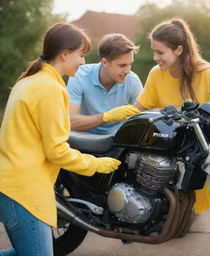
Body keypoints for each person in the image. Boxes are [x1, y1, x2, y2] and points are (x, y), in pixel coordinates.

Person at [0, 23, 120, 256]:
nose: (84, 62)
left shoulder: (27, 81)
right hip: (24, 192)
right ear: (64, 53)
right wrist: (96, 165)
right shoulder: (51, 88)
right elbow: (57, 151)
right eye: (81, 55)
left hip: (12, 185)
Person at [133, 17, 210, 214]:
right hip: (168, 149)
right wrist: (116, 116)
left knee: (187, 217)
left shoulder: (208, 73)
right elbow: (140, 106)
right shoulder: (156, 74)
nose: (155, 57)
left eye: (160, 52)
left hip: (198, 150)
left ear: (179, 50)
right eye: (154, 51)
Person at [67, 33, 142, 135]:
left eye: (130, 64)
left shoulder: (132, 80)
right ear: (105, 63)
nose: (128, 71)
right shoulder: (79, 75)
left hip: (117, 139)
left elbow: (144, 118)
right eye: (122, 65)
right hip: (82, 138)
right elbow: (70, 122)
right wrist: (106, 117)